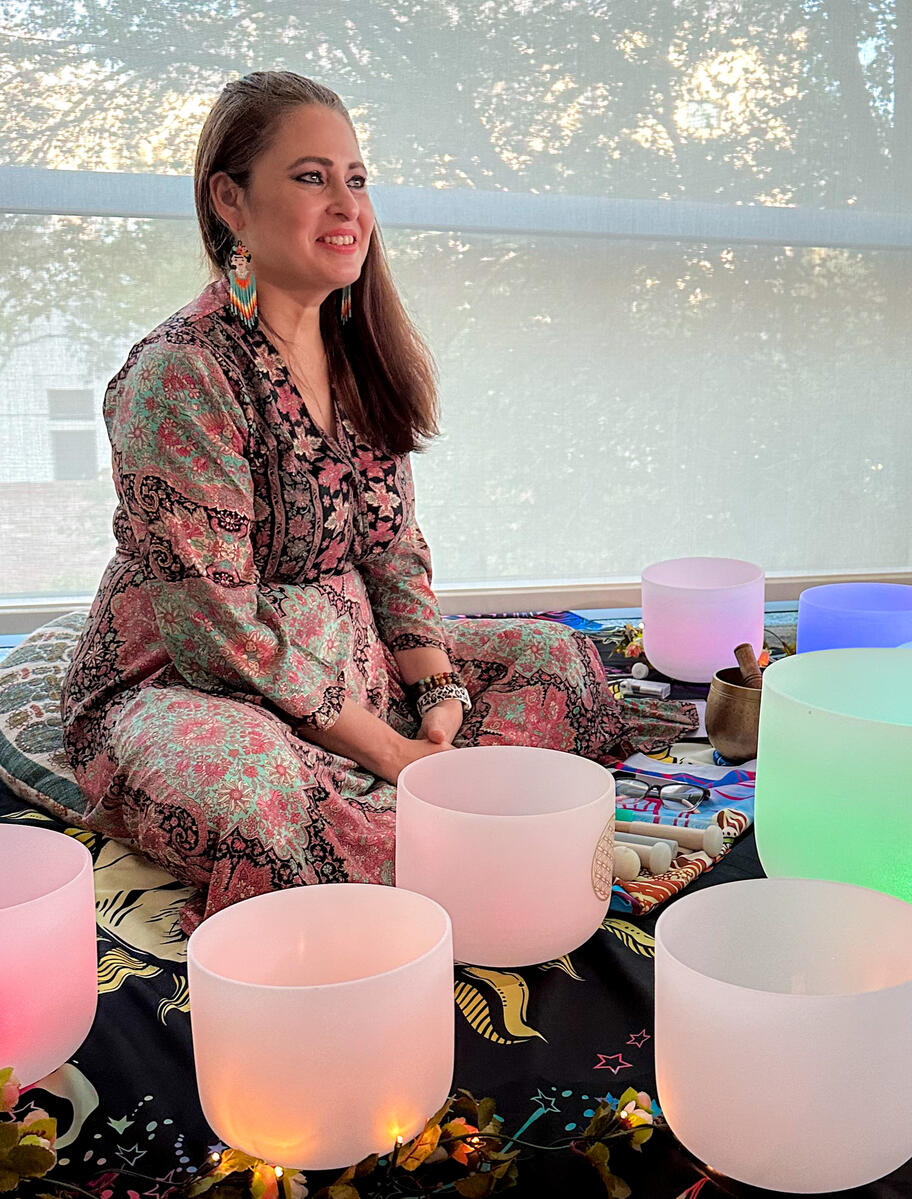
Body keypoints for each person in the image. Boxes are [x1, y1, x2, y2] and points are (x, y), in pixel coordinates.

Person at [62, 70, 696, 934]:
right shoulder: (182, 373)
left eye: (356, 180)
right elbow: (214, 630)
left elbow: (394, 547)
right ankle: (460, 843)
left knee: (554, 659)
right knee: (258, 795)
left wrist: (433, 689)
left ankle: (434, 821)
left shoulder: (356, 355)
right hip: (194, 684)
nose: (347, 206)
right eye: (311, 177)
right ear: (230, 202)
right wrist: (392, 752)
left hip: (353, 671)